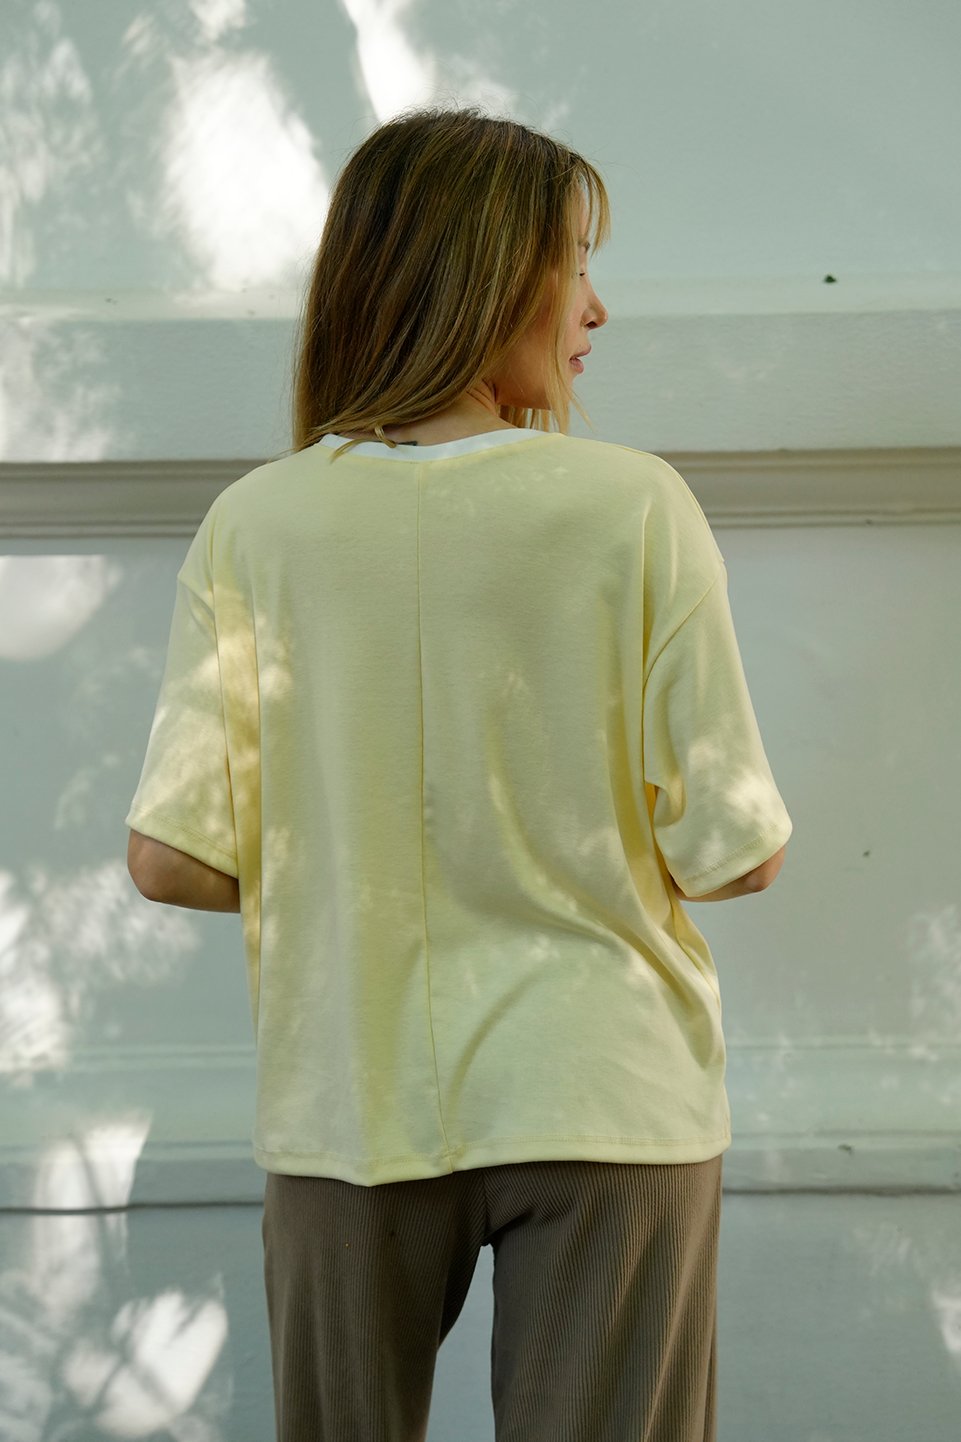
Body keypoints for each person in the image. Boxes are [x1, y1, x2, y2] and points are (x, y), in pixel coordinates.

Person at [125, 105, 792, 1442]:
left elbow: (171, 859)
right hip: (605, 1092)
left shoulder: (256, 525)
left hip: (350, 1096)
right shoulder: (632, 506)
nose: (596, 310)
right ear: (485, 280)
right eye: (575, 265)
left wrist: (355, 840)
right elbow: (736, 851)